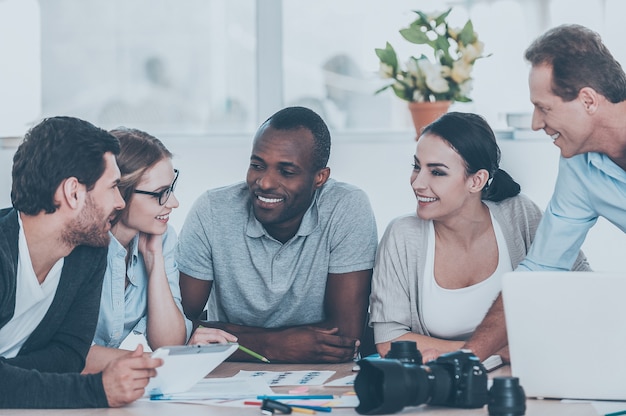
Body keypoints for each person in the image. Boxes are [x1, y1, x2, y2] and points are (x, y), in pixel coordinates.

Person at [368, 112, 589, 362]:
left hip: (525, 376)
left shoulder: (519, 215)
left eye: (437, 172)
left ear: (476, 180)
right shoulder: (402, 235)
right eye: (417, 166)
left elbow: (583, 286)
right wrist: (485, 351)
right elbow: (389, 341)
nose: (418, 183)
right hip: (448, 382)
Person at [463, 24, 626, 362]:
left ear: (588, 100)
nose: (537, 123)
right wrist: (467, 358)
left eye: (545, 108)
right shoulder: (579, 166)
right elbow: (539, 271)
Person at [177, 106, 378, 363]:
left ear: (320, 178)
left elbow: (344, 340)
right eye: (257, 165)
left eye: (286, 171)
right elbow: (178, 329)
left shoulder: (347, 207)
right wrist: (271, 346)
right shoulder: (213, 210)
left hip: (325, 380)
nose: (266, 182)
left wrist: (226, 338)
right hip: (228, 378)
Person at [0, 116, 163, 408]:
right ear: (73, 192)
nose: (120, 202)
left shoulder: (88, 251)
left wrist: (8, 376)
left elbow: (69, 354)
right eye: (113, 187)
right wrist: (96, 390)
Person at [81, 128, 237, 374]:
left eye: (171, 188)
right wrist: (160, 362)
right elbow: (69, 354)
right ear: (119, 193)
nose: (174, 202)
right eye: (160, 194)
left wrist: (155, 262)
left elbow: (169, 343)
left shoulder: (162, 240)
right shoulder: (78, 245)